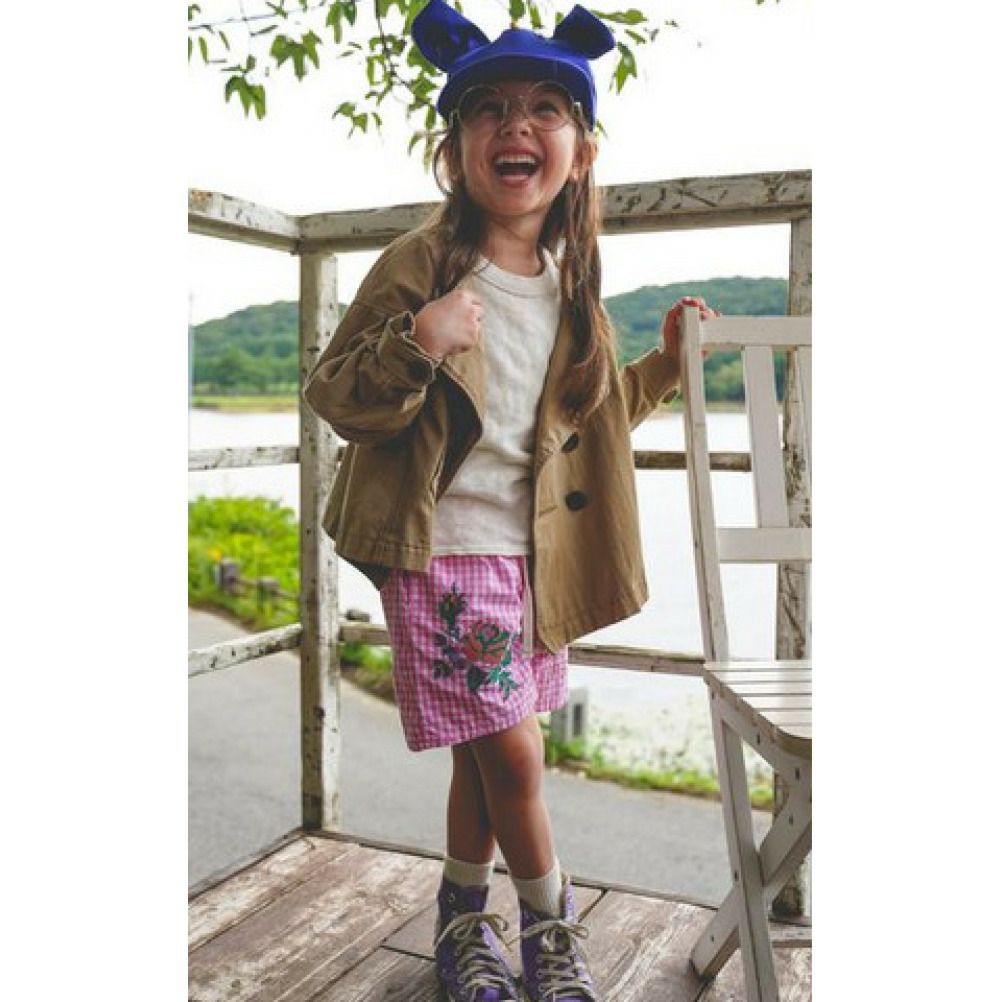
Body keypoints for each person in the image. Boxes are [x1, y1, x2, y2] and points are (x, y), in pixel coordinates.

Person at [304, 2, 719, 999]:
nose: (515, 126)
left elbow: (591, 417)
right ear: (454, 150)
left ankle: (460, 918)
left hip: (538, 564)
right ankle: (551, 926)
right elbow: (336, 393)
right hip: (445, 551)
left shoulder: (572, 282)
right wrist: (419, 340)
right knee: (519, 760)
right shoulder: (422, 263)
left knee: (484, 763)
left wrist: (663, 366)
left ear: (580, 151)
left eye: (545, 109)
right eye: (488, 109)